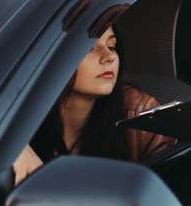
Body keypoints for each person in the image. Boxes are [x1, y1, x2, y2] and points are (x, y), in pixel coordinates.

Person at [13, 24, 176, 184]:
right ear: (53, 57)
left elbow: (167, 190)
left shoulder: (140, 114)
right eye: (88, 48)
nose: (109, 56)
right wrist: (15, 149)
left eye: (112, 46)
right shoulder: (14, 114)